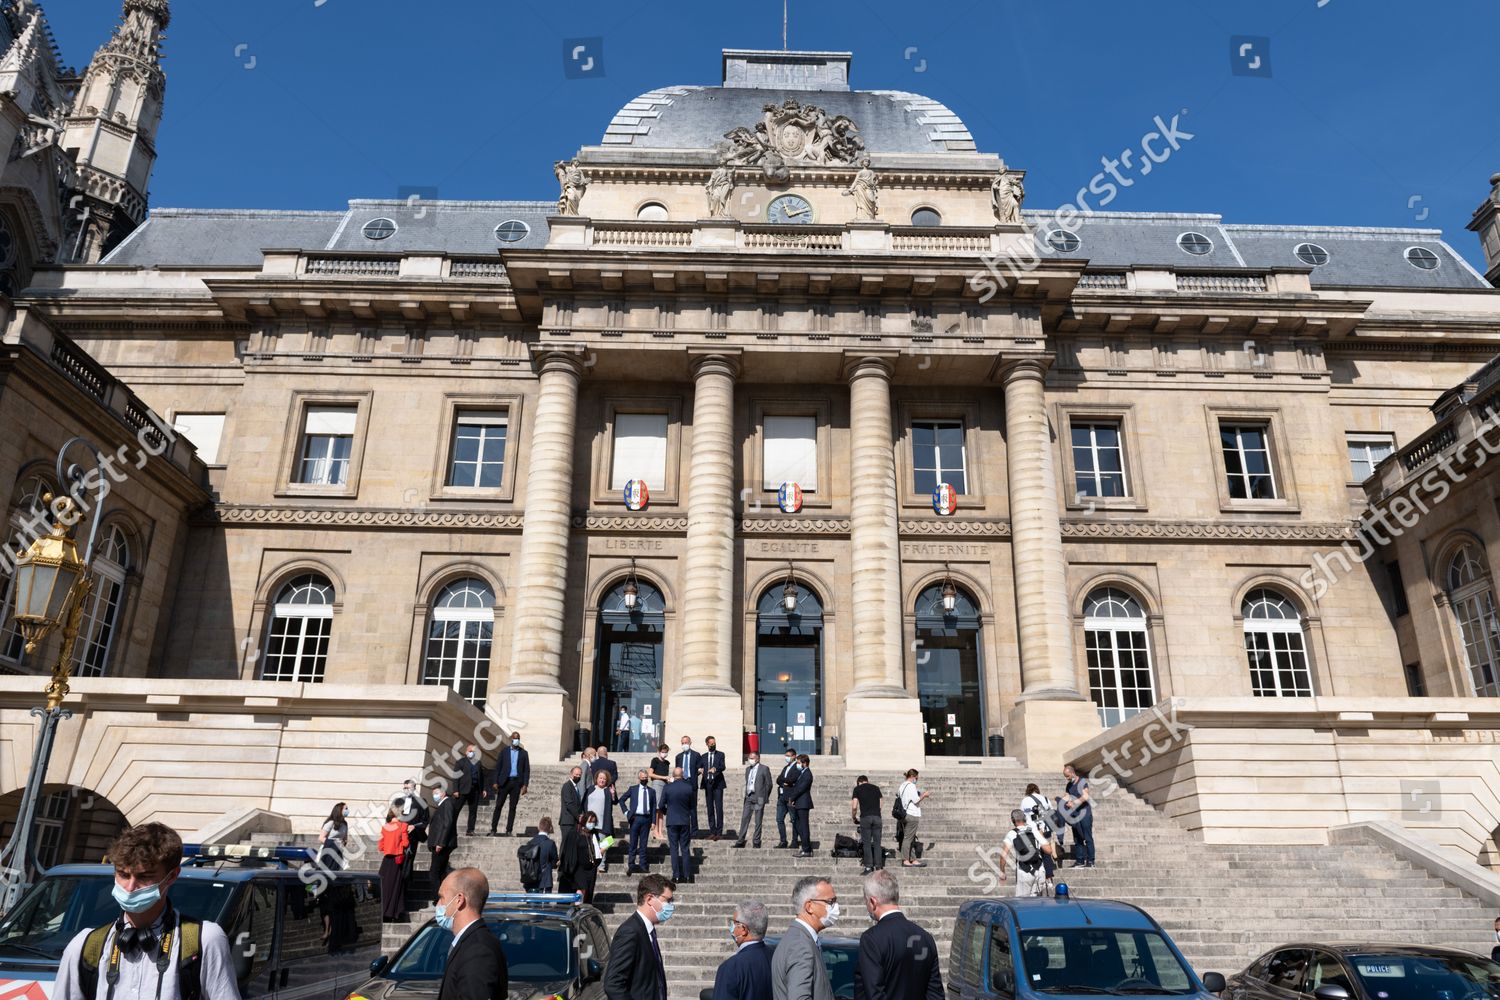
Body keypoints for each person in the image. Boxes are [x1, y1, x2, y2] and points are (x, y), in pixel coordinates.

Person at [53, 822, 240, 1000]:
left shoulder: (204, 940)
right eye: (123, 875)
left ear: (172, 876)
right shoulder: (84, 946)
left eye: (144, 877)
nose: (130, 887)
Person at [853, 870, 942, 1000]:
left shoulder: (871, 939)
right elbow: (935, 994)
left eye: (866, 901)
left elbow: (874, 993)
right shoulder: (926, 937)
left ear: (873, 901)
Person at [435, 868, 508, 1000]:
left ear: (459, 900)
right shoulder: (470, 942)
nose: (438, 904)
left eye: (441, 897)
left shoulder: (478, 950)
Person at [603, 874, 675, 1000]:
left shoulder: (647, 930)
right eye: (667, 900)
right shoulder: (630, 932)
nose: (670, 905)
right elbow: (613, 984)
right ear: (649, 899)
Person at [771, 876, 836, 1000]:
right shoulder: (800, 945)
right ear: (809, 906)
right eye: (830, 902)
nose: (835, 907)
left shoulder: (800, 939)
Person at [712, 899, 773, 1000]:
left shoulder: (731, 967)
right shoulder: (775, 957)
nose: (731, 926)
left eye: (734, 923)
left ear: (743, 929)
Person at [659, 766, 696, 883]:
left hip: (672, 821)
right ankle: (687, 876)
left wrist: (667, 812)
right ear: (683, 774)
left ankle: (676, 876)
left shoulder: (667, 788)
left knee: (674, 849)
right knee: (685, 848)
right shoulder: (689, 787)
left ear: (673, 775)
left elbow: (660, 805)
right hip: (684, 820)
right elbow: (692, 806)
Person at [1000, 809, 1049, 898]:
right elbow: (1049, 850)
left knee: (1022, 903)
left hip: (1024, 872)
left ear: (1013, 820)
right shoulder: (1034, 831)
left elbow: (1003, 856)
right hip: (1040, 870)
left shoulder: (1012, 833)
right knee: (1037, 903)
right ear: (1025, 818)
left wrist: (1002, 872)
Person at [490, 732, 529, 837]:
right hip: (504, 782)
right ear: (511, 739)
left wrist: (525, 785)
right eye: (515, 738)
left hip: (516, 783)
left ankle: (509, 830)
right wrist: (495, 781)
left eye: (518, 738)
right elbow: (497, 768)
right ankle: (493, 829)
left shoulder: (524, 753)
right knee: (498, 806)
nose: (517, 740)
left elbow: (526, 770)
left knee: (513, 807)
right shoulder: (504, 752)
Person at [620, 770, 658, 874]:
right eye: (642, 778)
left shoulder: (652, 791)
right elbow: (622, 800)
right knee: (633, 843)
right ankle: (631, 865)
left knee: (643, 843)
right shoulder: (633, 789)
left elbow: (654, 807)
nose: (644, 779)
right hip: (635, 819)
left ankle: (643, 865)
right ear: (639, 778)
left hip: (647, 819)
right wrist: (626, 812)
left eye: (646, 778)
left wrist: (653, 821)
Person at [733, 753, 772, 849]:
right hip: (749, 797)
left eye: (752, 758)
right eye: (749, 758)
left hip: (759, 798)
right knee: (745, 818)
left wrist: (764, 796)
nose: (750, 760)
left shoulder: (764, 768)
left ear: (758, 759)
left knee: (758, 820)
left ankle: (756, 841)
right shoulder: (747, 769)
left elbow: (769, 784)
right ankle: (740, 840)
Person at [428, 784, 460, 902]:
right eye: (433, 794)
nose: (434, 796)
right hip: (441, 843)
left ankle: (439, 898)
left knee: (434, 872)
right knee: (440, 871)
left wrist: (440, 843)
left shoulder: (447, 803)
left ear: (443, 793)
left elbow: (448, 823)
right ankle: (442, 898)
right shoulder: (444, 804)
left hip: (441, 844)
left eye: (436, 793)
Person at [1019, 783, 1058, 880]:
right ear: (1037, 789)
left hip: (1032, 830)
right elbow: (1052, 813)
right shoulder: (1045, 799)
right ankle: (1049, 877)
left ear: (1028, 791)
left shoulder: (1025, 800)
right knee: (1046, 853)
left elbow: (1021, 816)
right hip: (1045, 829)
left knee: (1034, 853)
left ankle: (1036, 876)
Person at [378, 808, 410, 922]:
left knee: (385, 886)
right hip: (397, 860)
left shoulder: (385, 827)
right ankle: (394, 913)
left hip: (387, 859)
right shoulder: (403, 826)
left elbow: (380, 846)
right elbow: (406, 843)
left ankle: (384, 912)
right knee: (396, 886)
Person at [559, 812, 598, 900]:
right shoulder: (576, 833)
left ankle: (582, 907)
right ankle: (578, 907)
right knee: (582, 888)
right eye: (590, 821)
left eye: (594, 822)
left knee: (587, 890)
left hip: (590, 868)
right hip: (578, 867)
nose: (592, 824)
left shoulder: (594, 834)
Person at [584, 770, 618, 873]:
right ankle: (589, 862)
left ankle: (601, 865)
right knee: (588, 843)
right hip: (589, 822)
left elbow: (615, 801)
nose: (602, 780)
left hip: (603, 822)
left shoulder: (608, 790)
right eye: (600, 778)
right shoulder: (590, 789)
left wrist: (613, 794)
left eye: (604, 778)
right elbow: (584, 803)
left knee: (604, 843)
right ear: (596, 779)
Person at [1063, 763, 1095, 868]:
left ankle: (1090, 861)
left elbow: (1085, 796)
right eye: (1065, 776)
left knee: (1087, 837)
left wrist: (1074, 802)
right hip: (1075, 814)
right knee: (1077, 837)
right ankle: (1080, 860)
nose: (1066, 778)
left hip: (1084, 813)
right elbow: (1067, 796)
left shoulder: (1082, 782)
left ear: (1072, 773)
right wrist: (1062, 803)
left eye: (1067, 776)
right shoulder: (1069, 785)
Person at [396, 779, 429, 879]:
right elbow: (391, 818)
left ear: (414, 788)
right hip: (399, 836)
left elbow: (425, 820)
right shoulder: (398, 801)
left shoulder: (422, 802)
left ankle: (406, 883)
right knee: (398, 859)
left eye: (409, 788)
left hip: (412, 837)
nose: (406, 790)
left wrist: (414, 826)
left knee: (408, 860)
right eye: (405, 788)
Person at [850, 775, 883, 875]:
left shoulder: (857, 789)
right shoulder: (876, 788)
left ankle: (868, 867)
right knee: (877, 843)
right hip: (877, 817)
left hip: (865, 818)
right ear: (867, 781)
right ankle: (878, 867)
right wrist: (877, 811)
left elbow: (854, 806)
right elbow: (881, 802)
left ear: (859, 782)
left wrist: (854, 817)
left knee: (867, 843)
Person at [897, 771, 929, 868]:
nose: (917, 780)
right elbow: (916, 800)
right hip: (911, 814)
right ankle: (906, 860)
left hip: (904, 814)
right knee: (908, 838)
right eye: (917, 778)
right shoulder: (911, 786)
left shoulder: (902, 786)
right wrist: (924, 795)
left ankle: (913, 859)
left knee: (909, 837)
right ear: (912, 776)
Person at [520, 817, 559, 893]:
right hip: (545, 881)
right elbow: (554, 863)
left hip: (531, 880)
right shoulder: (550, 843)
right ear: (550, 828)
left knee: (531, 903)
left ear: (539, 827)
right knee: (545, 904)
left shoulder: (530, 842)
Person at [675, 736, 703, 837]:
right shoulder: (678, 756)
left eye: (686, 742)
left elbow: (699, 769)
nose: (684, 744)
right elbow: (677, 771)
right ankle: (683, 829)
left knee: (692, 808)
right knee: (682, 807)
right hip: (681, 784)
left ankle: (694, 830)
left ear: (690, 743)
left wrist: (694, 775)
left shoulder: (696, 755)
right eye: (682, 743)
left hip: (692, 784)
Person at [459, 743, 488, 837]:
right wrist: (455, 790)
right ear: (466, 752)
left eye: (474, 752)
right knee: (456, 810)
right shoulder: (461, 762)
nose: (472, 753)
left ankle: (470, 830)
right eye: (471, 751)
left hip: (474, 790)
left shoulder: (478, 763)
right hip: (463, 790)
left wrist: (483, 789)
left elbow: (482, 777)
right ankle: (451, 829)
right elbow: (456, 777)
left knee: (473, 811)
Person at [701, 735, 727, 841]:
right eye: (711, 743)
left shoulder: (720, 754)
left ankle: (719, 832)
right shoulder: (703, 756)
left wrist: (715, 769)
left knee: (719, 807)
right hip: (708, 784)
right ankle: (712, 831)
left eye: (714, 743)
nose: (713, 744)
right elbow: (699, 767)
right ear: (707, 744)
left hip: (718, 784)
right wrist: (699, 770)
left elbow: (722, 766)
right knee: (710, 808)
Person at [560, 764, 586, 868]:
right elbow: (569, 803)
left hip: (573, 822)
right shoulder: (567, 786)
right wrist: (578, 816)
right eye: (576, 774)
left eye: (580, 775)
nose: (578, 777)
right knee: (565, 844)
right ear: (571, 774)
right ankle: (562, 866)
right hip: (568, 821)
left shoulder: (576, 788)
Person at [789, 755, 814, 858]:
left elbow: (801, 788)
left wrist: (792, 798)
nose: (797, 765)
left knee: (803, 827)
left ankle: (806, 849)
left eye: (799, 763)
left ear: (805, 763)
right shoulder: (801, 773)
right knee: (800, 826)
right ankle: (805, 847)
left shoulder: (808, 774)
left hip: (803, 803)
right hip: (799, 803)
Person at [774, 749, 799, 849]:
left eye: (788, 755)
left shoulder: (797, 767)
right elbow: (778, 779)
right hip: (781, 797)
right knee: (779, 819)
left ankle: (794, 841)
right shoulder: (786, 767)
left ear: (794, 756)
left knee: (794, 819)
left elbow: (793, 779)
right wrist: (785, 783)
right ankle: (783, 841)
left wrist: (786, 781)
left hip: (790, 797)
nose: (786, 757)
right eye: (786, 755)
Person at [648, 746, 671, 841]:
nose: (664, 753)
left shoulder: (667, 763)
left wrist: (668, 779)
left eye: (666, 752)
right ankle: (655, 831)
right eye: (663, 752)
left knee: (661, 809)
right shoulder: (655, 760)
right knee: (657, 808)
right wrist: (663, 777)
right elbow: (650, 774)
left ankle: (660, 831)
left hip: (665, 785)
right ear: (659, 752)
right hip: (657, 784)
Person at [318, 802, 349, 871]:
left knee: (337, 873)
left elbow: (345, 838)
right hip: (328, 851)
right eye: (345, 808)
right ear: (339, 810)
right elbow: (321, 838)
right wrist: (333, 844)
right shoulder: (331, 822)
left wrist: (343, 843)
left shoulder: (345, 824)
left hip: (339, 851)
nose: (347, 810)